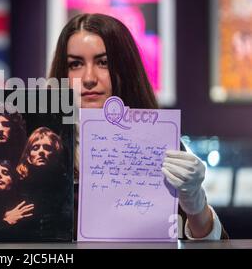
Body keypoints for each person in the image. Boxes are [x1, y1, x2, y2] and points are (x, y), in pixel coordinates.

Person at [48, 13, 228, 240]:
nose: (89, 77)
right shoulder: (41, 142)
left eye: (103, 62)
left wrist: (195, 202)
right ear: (62, 73)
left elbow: (212, 245)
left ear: (125, 68)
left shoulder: (162, 143)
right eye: (75, 64)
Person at [16, 127, 72, 239]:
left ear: (56, 154)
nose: (41, 151)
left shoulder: (66, 185)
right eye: (35, 147)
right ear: (28, 157)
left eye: (47, 147)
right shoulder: (17, 185)